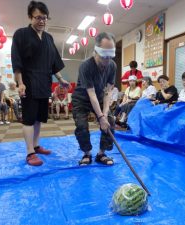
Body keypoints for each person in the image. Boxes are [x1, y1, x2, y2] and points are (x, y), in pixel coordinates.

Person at [11, 1, 69, 166]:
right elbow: (17, 61)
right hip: (28, 82)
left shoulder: (49, 38)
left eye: (44, 18)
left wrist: (61, 79)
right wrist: (20, 83)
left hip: (44, 82)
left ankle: (36, 146)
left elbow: (53, 63)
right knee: (29, 119)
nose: (42, 21)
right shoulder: (20, 34)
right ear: (30, 17)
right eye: (38, 18)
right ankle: (29, 153)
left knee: (38, 119)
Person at [72, 32, 116, 166]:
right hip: (82, 98)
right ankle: (87, 153)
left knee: (110, 121)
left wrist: (105, 115)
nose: (107, 60)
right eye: (104, 57)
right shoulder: (86, 66)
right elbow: (91, 94)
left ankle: (101, 153)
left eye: (110, 56)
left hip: (100, 96)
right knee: (81, 126)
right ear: (95, 52)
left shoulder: (112, 65)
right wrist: (100, 117)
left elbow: (108, 91)